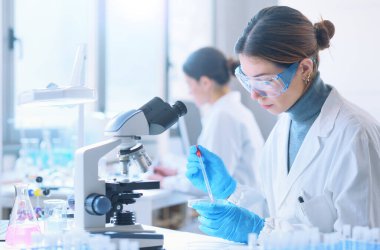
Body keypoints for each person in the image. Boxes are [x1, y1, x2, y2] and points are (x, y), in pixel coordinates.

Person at [186, 6, 380, 244]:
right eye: (247, 80)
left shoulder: (354, 135)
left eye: (265, 81)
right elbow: (279, 216)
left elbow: (363, 244)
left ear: (305, 69)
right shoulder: (283, 129)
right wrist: (229, 189)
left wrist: (260, 234)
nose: (255, 95)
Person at [149, 47, 264, 205]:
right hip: (243, 204)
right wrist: (177, 173)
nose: (189, 92)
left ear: (205, 82)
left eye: (189, 84)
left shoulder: (223, 116)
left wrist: (164, 182)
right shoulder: (233, 110)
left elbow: (209, 183)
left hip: (238, 210)